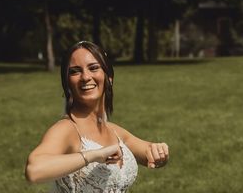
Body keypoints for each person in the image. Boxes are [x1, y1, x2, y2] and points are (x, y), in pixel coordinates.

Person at [25, 40, 169, 191]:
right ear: (67, 83)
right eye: (75, 71)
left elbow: (150, 154)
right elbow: (34, 171)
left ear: (109, 78)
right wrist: (92, 155)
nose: (85, 77)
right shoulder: (66, 129)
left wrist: (159, 151)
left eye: (93, 68)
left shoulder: (114, 131)